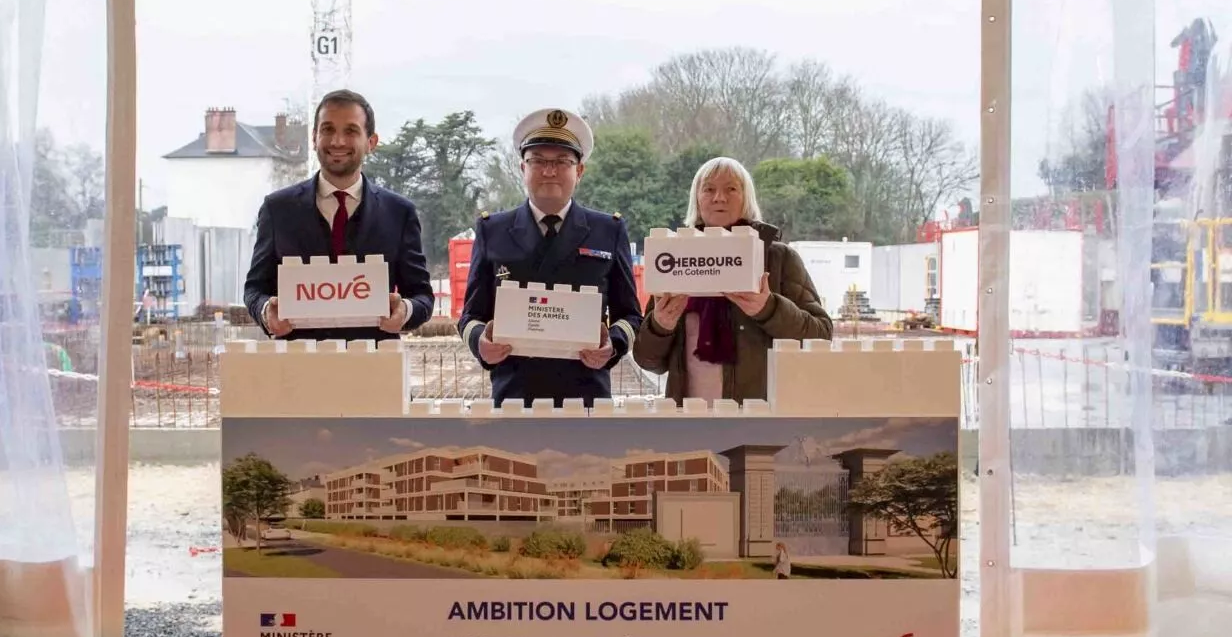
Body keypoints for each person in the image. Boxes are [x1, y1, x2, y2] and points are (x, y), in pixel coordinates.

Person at [457, 108, 642, 407]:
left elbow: (631, 315)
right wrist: (480, 341)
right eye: (538, 161)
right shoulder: (494, 229)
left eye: (561, 162)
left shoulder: (608, 230)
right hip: (514, 395)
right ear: (522, 168)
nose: (549, 170)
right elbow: (470, 316)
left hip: (586, 396)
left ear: (579, 171)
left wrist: (613, 345)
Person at [633, 156, 832, 404]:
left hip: (762, 419)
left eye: (731, 189)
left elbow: (821, 336)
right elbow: (647, 361)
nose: (719, 198)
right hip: (688, 422)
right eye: (709, 189)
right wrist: (660, 326)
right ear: (696, 199)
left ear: (746, 198)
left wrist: (768, 309)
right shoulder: (674, 258)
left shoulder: (779, 259)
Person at [243, 89, 434, 342]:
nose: (338, 141)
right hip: (296, 371)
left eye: (351, 131)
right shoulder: (277, 209)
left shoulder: (399, 213)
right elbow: (254, 289)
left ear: (371, 142)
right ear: (314, 138)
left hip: (373, 371)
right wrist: (267, 311)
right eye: (328, 130)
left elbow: (422, 296)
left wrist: (405, 311)